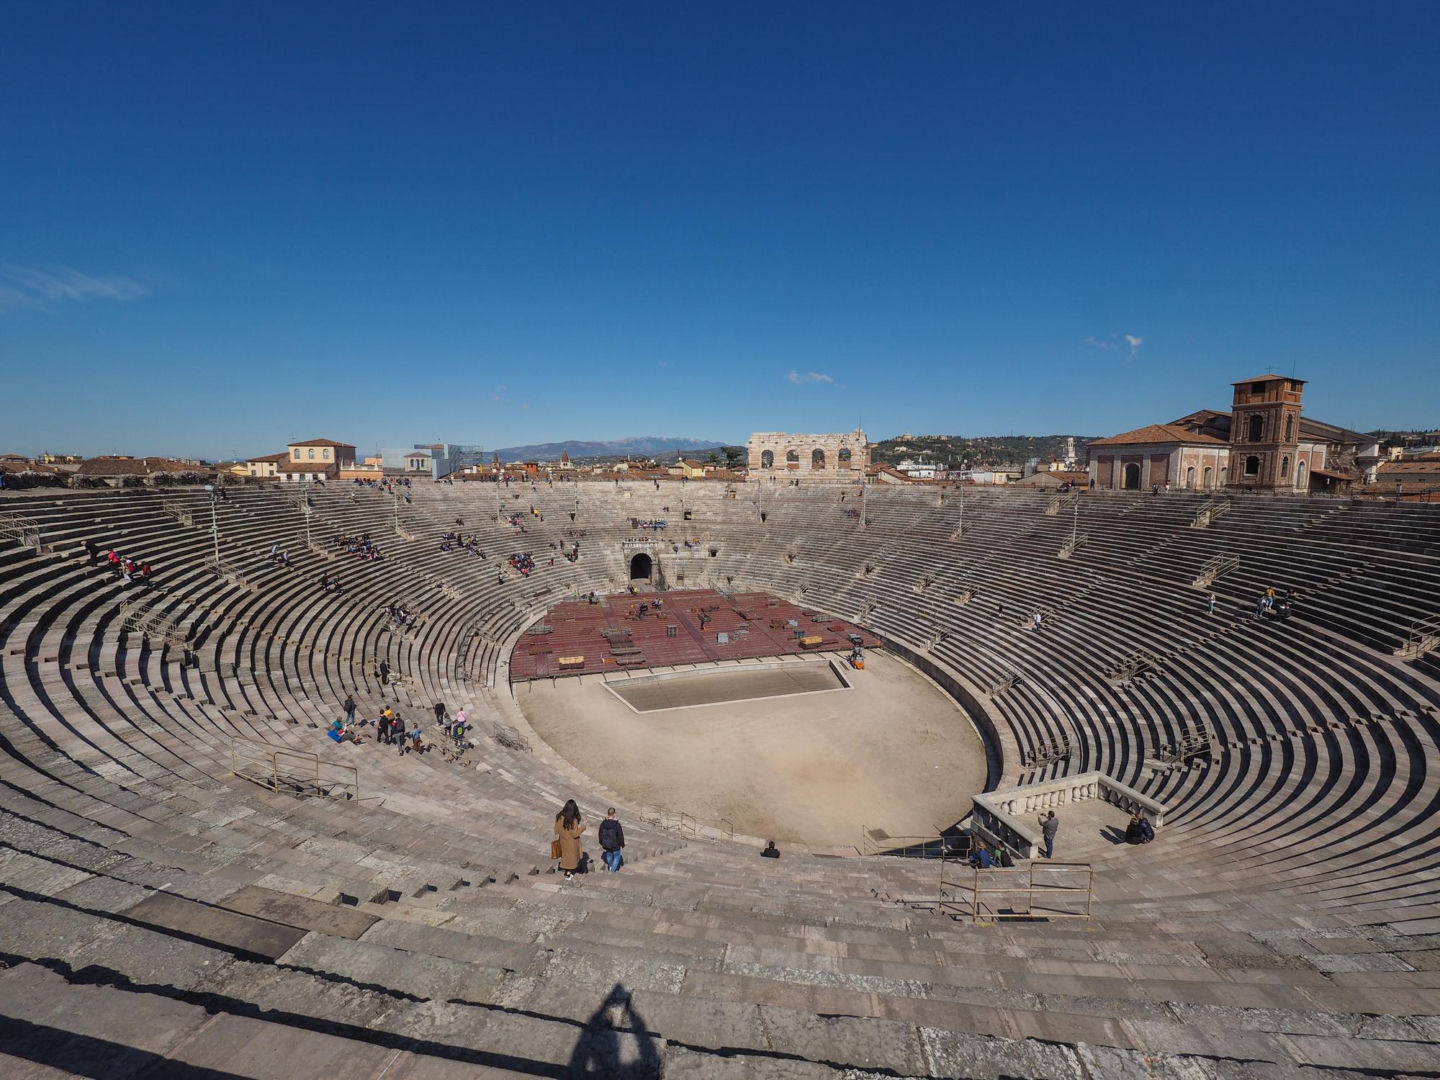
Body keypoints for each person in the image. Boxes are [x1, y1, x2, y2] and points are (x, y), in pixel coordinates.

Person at [555, 799, 585, 881]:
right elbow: (575, 834)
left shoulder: (559, 817)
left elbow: (556, 830)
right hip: (572, 843)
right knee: (572, 859)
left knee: (565, 856)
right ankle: (569, 874)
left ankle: (567, 871)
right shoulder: (573, 820)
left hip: (563, 840)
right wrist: (583, 826)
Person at [598, 807, 625, 872]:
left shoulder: (603, 823)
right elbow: (620, 835)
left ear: (608, 814)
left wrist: (601, 842)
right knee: (617, 857)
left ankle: (610, 866)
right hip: (616, 845)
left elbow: (600, 834)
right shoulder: (617, 825)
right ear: (614, 814)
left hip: (607, 844)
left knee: (609, 855)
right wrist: (622, 844)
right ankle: (612, 871)